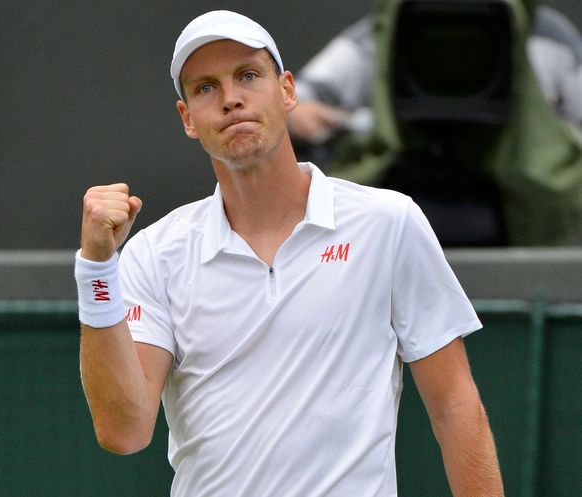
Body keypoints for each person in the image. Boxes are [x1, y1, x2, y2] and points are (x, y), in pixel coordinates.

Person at [75, 10, 504, 497]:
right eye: (205, 88)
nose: (231, 99)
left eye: (248, 76)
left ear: (287, 91)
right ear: (187, 118)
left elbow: (455, 406)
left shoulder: (388, 222)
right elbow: (124, 431)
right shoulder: (155, 253)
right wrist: (97, 270)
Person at [288, 0, 582, 247]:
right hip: (400, 194)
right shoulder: (384, 31)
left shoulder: (547, 36)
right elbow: (294, 104)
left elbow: (293, 101)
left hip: (522, 198)